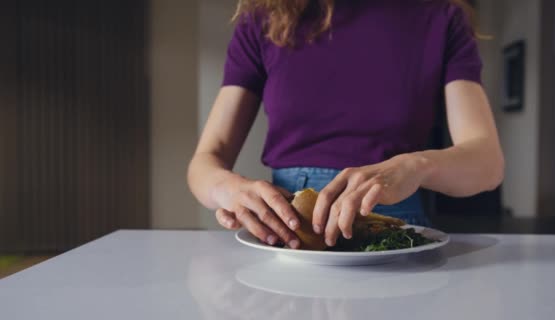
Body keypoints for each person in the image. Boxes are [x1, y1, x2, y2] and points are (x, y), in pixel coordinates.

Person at [187, 0, 504, 249]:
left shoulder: (442, 17)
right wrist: (229, 189)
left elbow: (487, 163)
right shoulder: (262, 20)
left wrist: (416, 165)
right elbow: (206, 161)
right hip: (290, 235)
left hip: (396, 232)